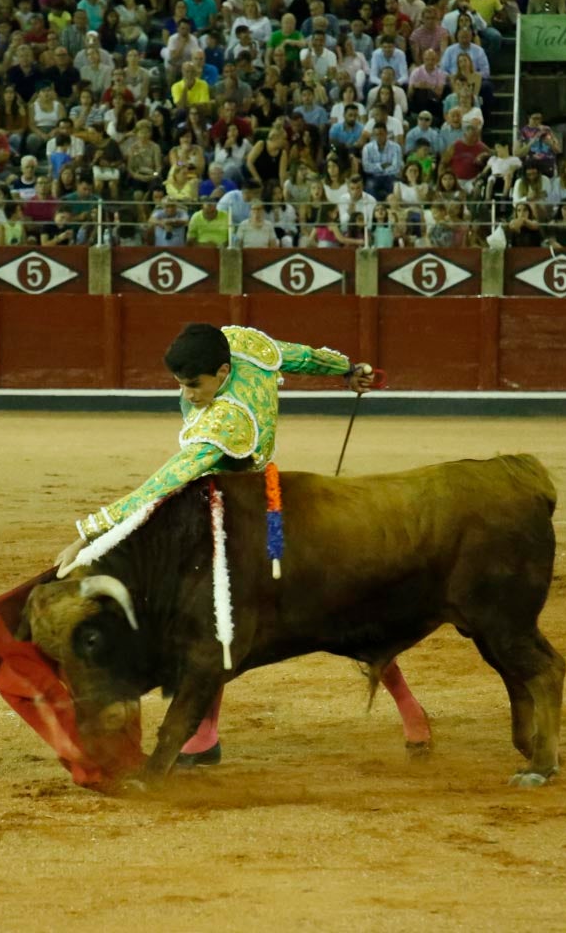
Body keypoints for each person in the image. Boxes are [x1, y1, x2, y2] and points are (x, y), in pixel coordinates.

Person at [53, 323, 375, 765]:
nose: (186, 394)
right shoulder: (241, 345)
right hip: (259, 497)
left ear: (223, 372)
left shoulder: (225, 424)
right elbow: (298, 356)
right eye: (180, 384)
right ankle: (204, 736)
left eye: (194, 385)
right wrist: (347, 370)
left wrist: (88, 533)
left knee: (214, 615)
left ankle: (201, 735)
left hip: (242, 515)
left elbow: (162, 483)